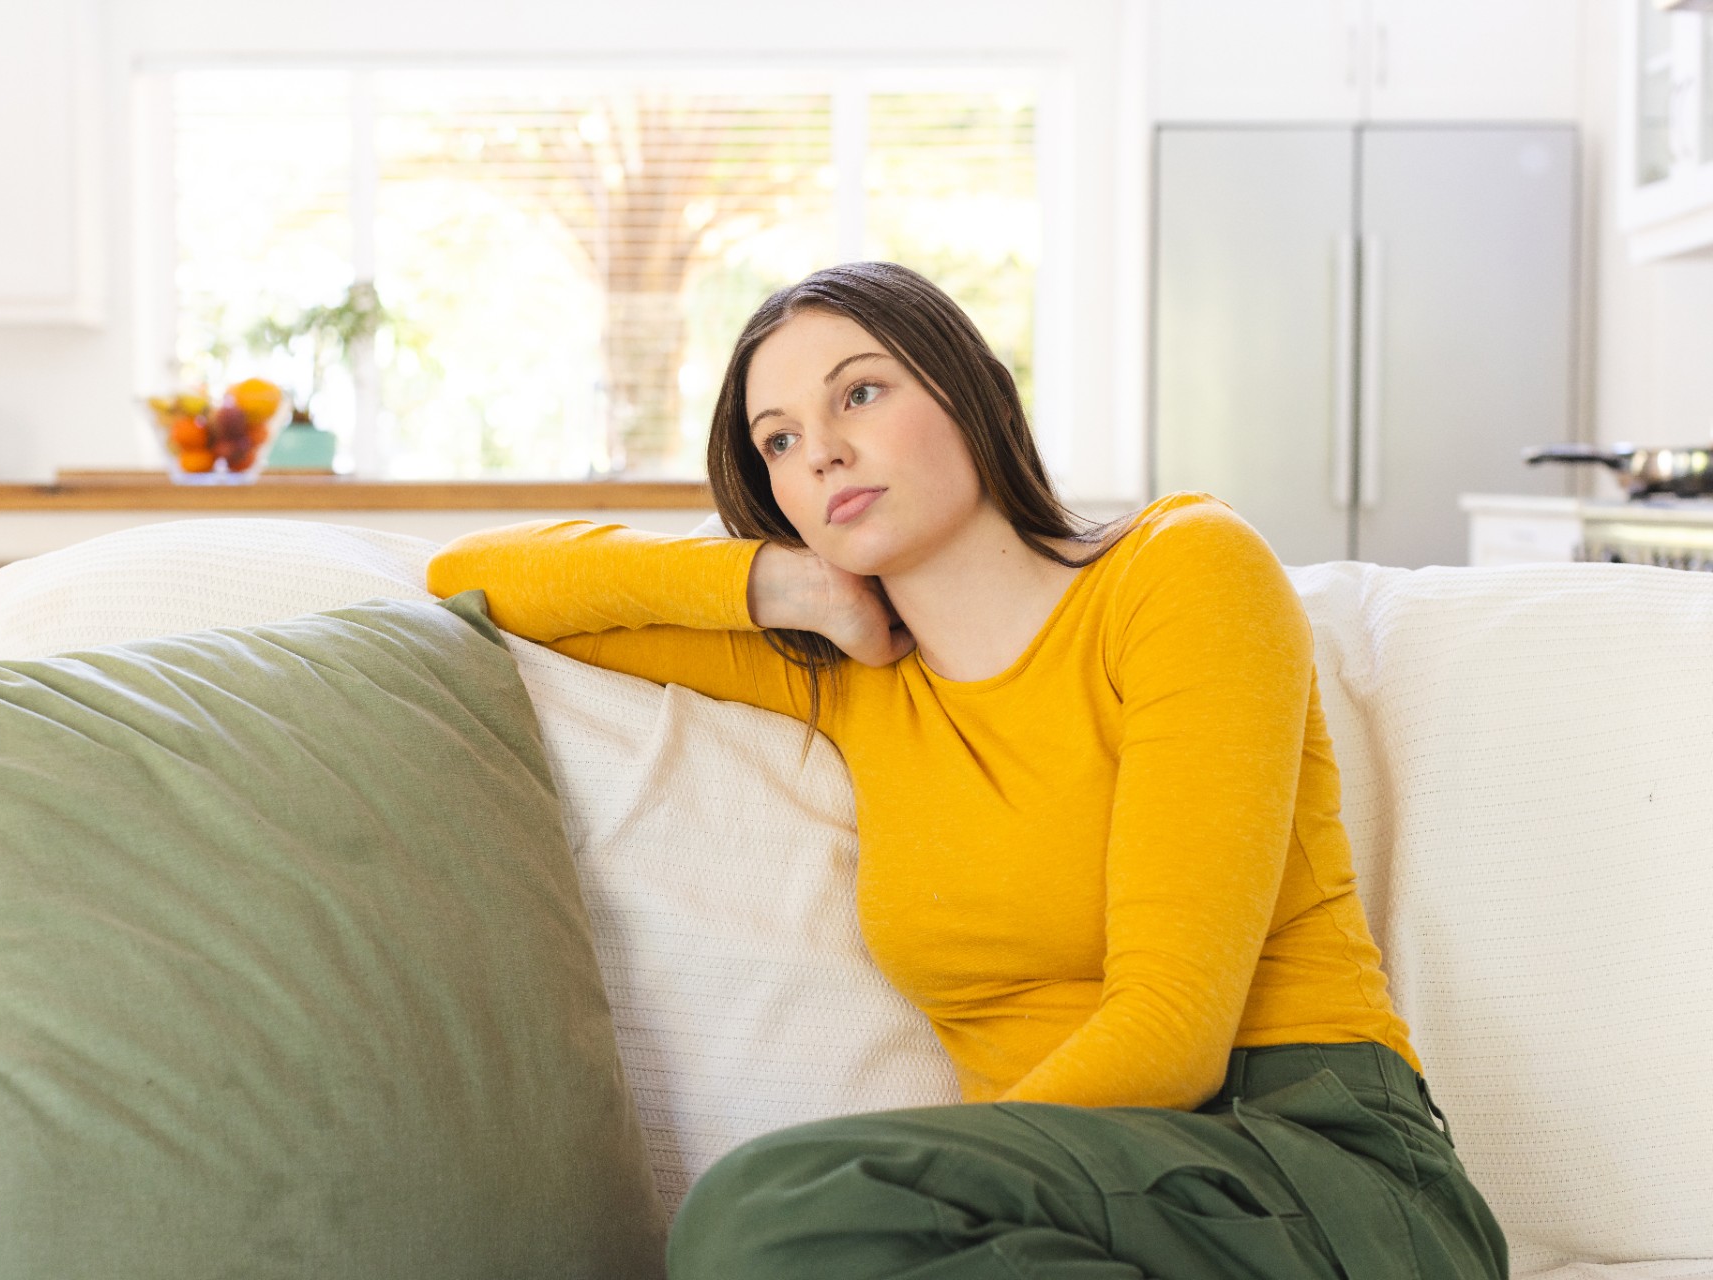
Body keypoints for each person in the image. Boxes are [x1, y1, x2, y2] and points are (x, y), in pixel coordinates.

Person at [425, 261, 1506, 1280]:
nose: (822, 452)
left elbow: (1173, 1032)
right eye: (780, 441)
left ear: (973, 391)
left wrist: (905, 1183)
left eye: (859, 394)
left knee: (764, 1208)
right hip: (1048, 1215)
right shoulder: (846, 680)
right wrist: (777, 585)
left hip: (1312, 1164)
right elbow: (472, 576)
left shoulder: (1180, 573)